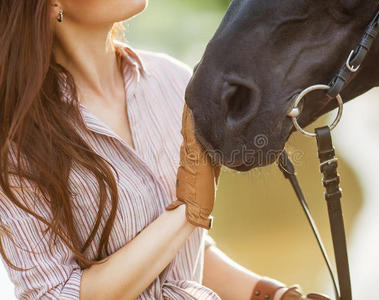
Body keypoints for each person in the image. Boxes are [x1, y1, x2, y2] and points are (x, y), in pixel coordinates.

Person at [0, 1, 330, 299]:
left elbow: (178, 259)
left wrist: (272, 294)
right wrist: (188, 210)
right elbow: (52, 295)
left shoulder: (174, 81)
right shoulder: (16, 141)